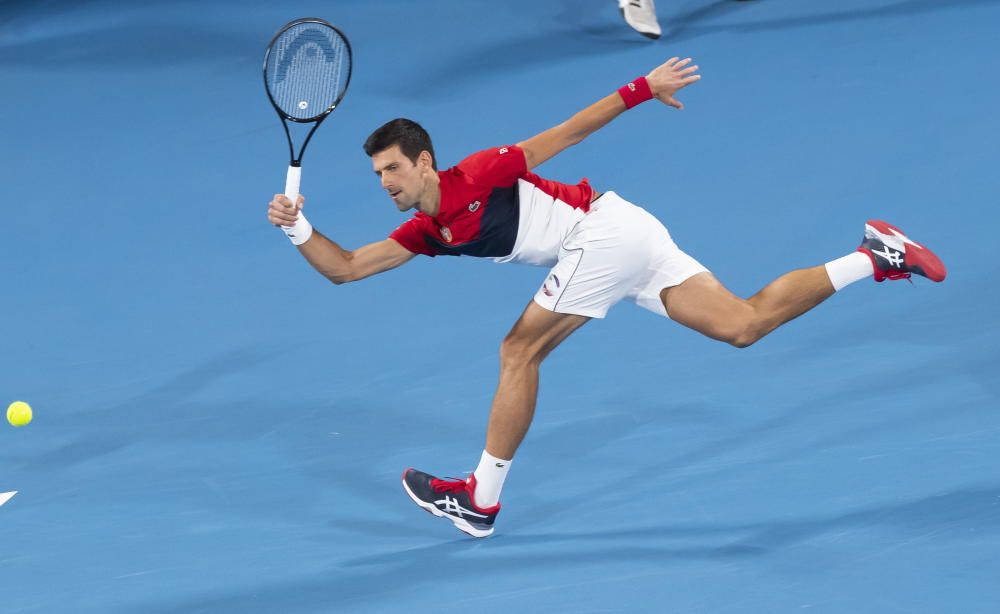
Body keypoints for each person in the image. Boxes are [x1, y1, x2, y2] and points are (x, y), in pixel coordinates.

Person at [266, 57, 946, 538]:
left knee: (517, 350)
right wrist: (298, 227)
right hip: (631, 237)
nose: (384, 181)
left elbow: (564, 133)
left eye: (391, 168)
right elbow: (349, 268)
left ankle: (480, 501)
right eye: (376, 172)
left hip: (604, 235)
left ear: (422, 162)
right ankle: (874, 255)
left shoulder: (478, 172)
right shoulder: (426, 229)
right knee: (743, 324)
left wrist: (642, 88)